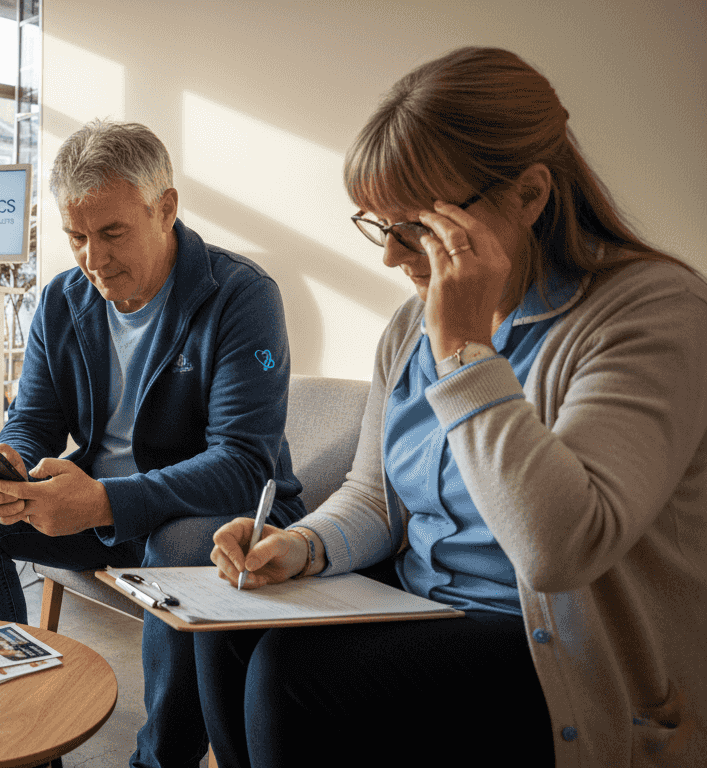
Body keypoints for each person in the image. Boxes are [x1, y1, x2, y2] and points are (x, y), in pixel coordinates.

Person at [196, 47, 706, 767]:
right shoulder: (410, 327)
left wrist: (467, 351)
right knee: (228, 632)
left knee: (295, 678)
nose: (391, 256)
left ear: (529, 195)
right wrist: (302, 544)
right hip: (425, 608)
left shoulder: (653, 314)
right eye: (379, 225)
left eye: (418, 227)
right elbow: (374, 495)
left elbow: (560, 552)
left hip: (558, 652)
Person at [0, 119, 305, 768]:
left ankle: (158, 761)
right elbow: (34, 416)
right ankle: (24, 738)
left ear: (165, 209)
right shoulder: (63, 300)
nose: (93, 259)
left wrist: (103, 500)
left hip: (215, 516)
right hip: (103, 511)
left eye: (111, 233)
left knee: (181, 544)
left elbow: (244, 464)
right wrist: (14, 463)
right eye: (76, 237)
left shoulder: (241, 297)